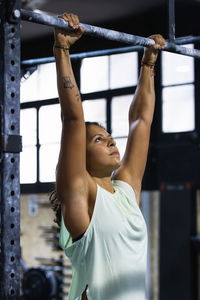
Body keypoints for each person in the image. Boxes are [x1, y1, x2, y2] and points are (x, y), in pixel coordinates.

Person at [50, 13, 165, 300]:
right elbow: (73, 119)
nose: (112, 141)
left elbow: (141, 120)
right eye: (99, 140)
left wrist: (148, 62)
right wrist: (62, 50)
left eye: (109, 136)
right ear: (81, 155)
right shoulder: (81, 193)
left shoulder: (125, 191)